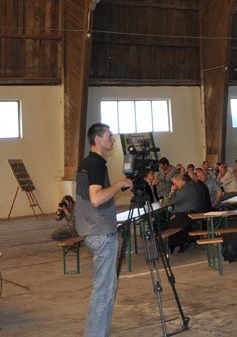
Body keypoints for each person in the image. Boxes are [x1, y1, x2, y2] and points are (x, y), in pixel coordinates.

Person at [75, 123, 132, 337]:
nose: (113, 139)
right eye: (109, 136)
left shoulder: (87, 163)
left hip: (92, 230)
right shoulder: (96, 164)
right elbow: (96, 199)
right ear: (98, 139)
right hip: (100, 232)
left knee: (107, 289)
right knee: (103, 291)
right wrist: (118, 184)